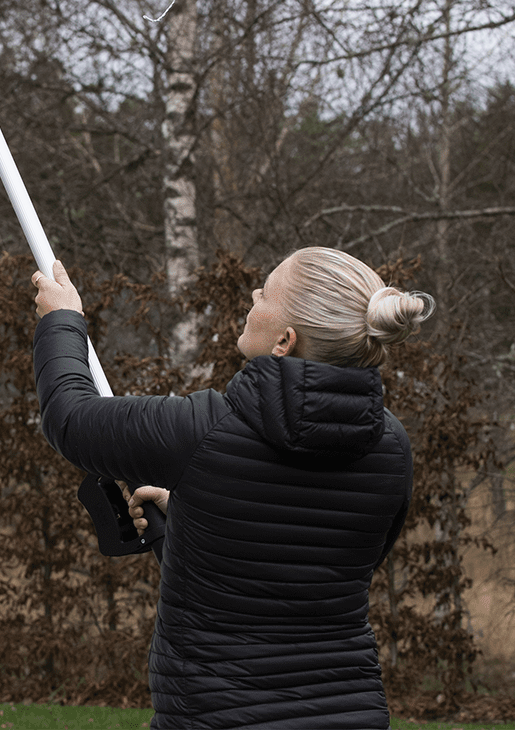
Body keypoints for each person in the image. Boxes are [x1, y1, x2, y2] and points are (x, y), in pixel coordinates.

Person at [31, 246, 433, 728]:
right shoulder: (392, 448)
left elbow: (71, 418)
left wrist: (62, 320)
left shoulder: (202, 431)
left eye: (268, 292)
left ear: (284, 341)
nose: (255, 294)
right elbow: (313, 567)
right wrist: (197, 512)